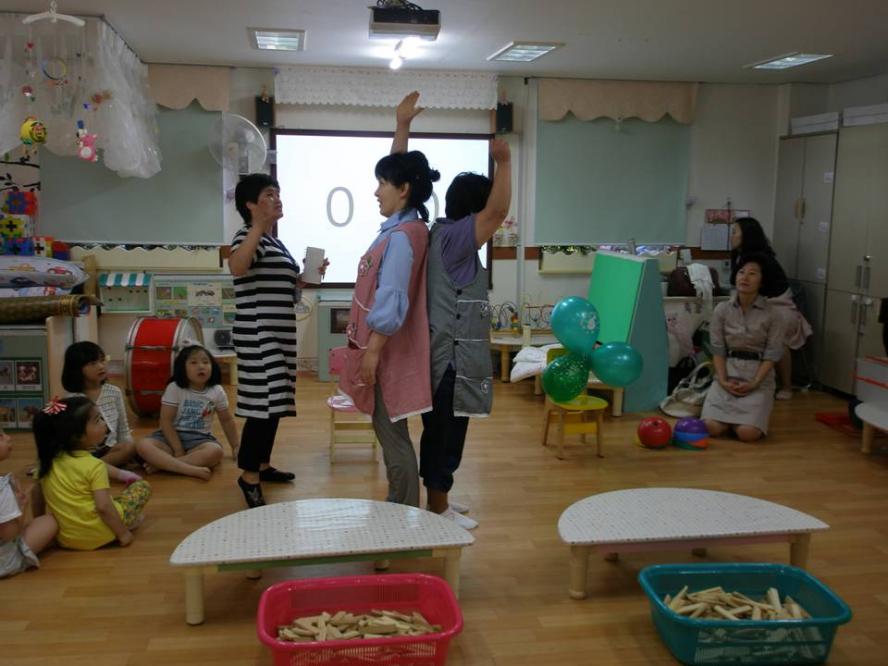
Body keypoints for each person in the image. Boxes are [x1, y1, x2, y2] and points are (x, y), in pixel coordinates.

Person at [392, 92, 512, 529]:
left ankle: (441, 498)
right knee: (444, 437)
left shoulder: (437, 233)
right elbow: (498, 211)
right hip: (448, 363)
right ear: (474, 210)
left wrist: (403, 126)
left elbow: (400, 183)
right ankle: (438, 507)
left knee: (445, 433)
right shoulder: (458, 239)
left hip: (443, 360)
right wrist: (505, 162)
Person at [338, 95, 440, 508]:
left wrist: (373, 353)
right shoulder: (407, 226)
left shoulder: (400, 239)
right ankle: (402, 503)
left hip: (387, 352)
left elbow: (392, 299)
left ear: (403, 190)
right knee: (390, 431)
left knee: (391, 433)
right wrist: (402, 127)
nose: (376, 191)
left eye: (383, 183)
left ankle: (403, 509)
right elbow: (401, 170)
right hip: (385, 348)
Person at [228, 174, 301, 508]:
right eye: (269, 194)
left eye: (278, 193)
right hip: (258, 333)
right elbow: (237, 267)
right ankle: (248, 476)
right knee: (262, 404)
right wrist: (257, 226)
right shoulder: (248, 234)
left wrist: (307, 278)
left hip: (278, 333)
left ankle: (261, 464)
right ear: (251, 204)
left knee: (275, 402)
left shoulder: (274, 240)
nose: (277, 198)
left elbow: (278, 285)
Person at [34, 396, 151, 550]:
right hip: (103, 535)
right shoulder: (94, 466)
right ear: (78, 436)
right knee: (142, 487)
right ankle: (126, 524)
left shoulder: (45, 464)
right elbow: (103, 507)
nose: (104, 423)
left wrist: (41, 527)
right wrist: (123, 534)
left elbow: (37, 496)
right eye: (97, 420)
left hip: (67, 539)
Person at [701, 254, 786, 442]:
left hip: (758, 377)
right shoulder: (722, 309)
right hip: (728, 371)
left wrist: (755, 382)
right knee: (710, 427)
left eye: (752, 273)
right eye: (741, 272)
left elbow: (772, 355)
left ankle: (740, 423)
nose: (745, 277)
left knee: (748, 434)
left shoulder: (774, 314)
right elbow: (718, 349)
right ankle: (728, 420)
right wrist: (723, 380)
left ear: (762, 282)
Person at [730, 217, 812, 399]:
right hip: (759, 306)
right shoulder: (740, 255)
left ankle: (786, 386)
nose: (731, 236)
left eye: (735, 232)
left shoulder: (760, 258)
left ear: (747, 235)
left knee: (777, 340)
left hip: (779, 307)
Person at [136, 345, 239, 480]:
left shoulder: (216, 390)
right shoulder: (174, 388)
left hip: (200, 439)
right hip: (170, 437)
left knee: (215, 452)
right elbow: (165, 421)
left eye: (205, 362)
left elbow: (226, 420)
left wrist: (236, 446)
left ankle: (163, 465)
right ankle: (189, 469)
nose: (201, 366)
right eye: (193, 362)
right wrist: (178, 449)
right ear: (182, 368)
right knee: (143, 445)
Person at [62, 341, 141, 481]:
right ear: (77, 369)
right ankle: (93, 468)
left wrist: (131, 452)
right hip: (83, 453)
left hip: (108, 451)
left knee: (131, 447)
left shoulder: (114, 392)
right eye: (93, 363)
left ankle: (89, 469)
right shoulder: (72, 399)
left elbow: (123, 428)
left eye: (102, 360)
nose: (101, 366)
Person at [0, 429, 57, 577]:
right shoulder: (2, 488)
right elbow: (9, 534)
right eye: (0, 436)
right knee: (50, 521)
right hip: (4, 560)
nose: (8, 437)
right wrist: (22, 505)